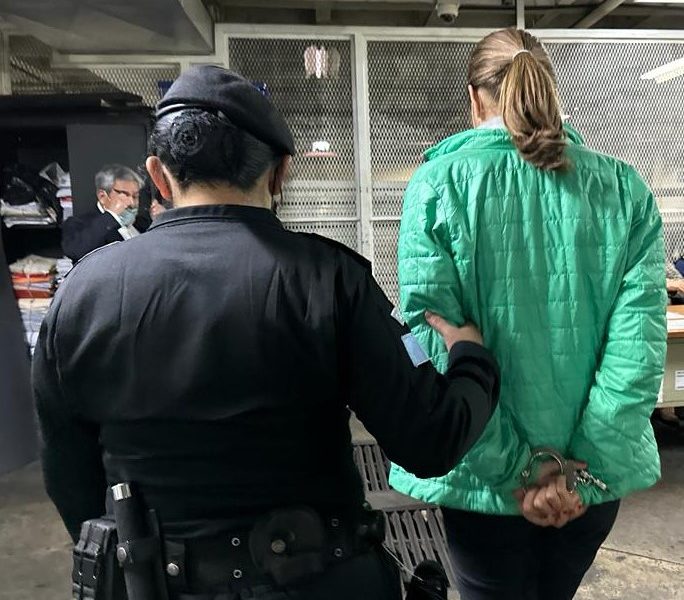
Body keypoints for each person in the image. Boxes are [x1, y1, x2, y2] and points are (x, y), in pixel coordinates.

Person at [33, 66, 501, 600]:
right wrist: (471, 357)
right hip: (321, 582)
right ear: (280, 175)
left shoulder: (80, 294)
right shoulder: (330, 281)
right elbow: (431, 438)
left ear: (158, 178)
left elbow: (68, 478)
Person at [390, 28, 666, 600]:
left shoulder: (437, 186)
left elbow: (438, 344)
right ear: (547, 89)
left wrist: (520, 472)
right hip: (587, 485)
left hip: (482, 480)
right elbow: (638, 348)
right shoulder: (622, 187)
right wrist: (573, 472)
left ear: (473, 99)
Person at [61, 164, 166, 262]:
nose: (132, 203)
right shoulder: (78, 224)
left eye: (135, 196)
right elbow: (76, 252)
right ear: (102, 196)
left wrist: (162, 221)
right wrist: (112, 217)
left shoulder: (142, 223)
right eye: (125, 195)